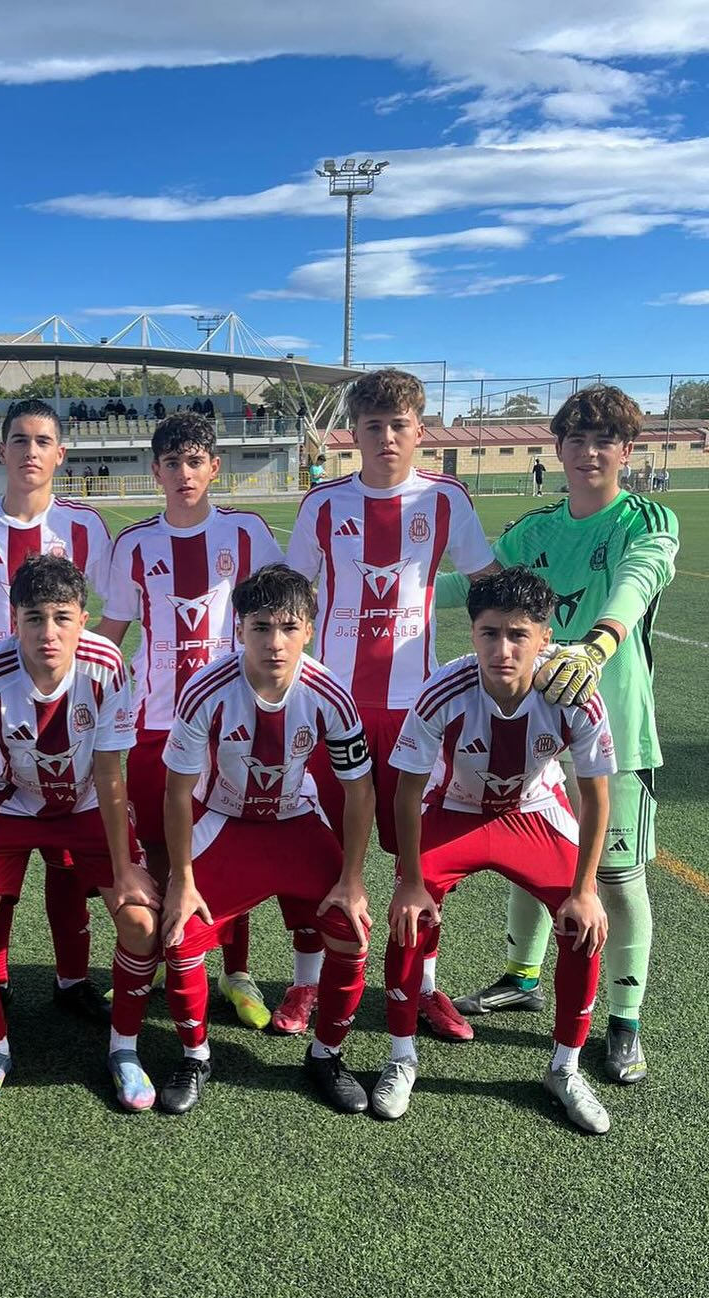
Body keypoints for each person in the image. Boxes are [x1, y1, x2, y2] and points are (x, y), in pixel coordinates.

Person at [441, 386, 679, 1085]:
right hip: (536, 728)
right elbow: (475, 587)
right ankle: (522, 977)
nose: (588, 452)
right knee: (537, 853)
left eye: (604, 440)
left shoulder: (647, 519)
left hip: (615, 729)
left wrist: (596, 646)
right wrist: (390, 588)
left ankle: (624, 1020)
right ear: (559, 448)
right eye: (577, 439)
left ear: (626, 451)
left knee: (617, 878)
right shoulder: (535, 531)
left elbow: (637, 582)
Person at [279, 368, 497, 1039]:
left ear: (419, 430)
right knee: (316, 847)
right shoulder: (323, 504)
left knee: (419, 857)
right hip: (333, 706)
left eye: (398, 425)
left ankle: (422, 985)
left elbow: (488, 585)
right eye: (372, 426)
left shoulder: (446, 499)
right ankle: (307, 980)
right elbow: (292, 595)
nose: (386, 438)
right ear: (354, 434)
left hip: (417, 710)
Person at [131, 565, 375, 1115]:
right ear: (239, 629)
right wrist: (182, 881)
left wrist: (352, 879)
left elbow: (359, 790)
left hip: (296, 823)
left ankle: (327, 1056)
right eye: (261, 627)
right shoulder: (206, 689)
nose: (274, 642)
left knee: (351, 930)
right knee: (180, 933)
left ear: (309, 630)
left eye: (288, 627)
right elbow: (178, 791)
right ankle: (195, 1056)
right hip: (226, 822)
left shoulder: (330, 693)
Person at [377, 568, 614, 1132]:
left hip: (533, 811)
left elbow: (595, 795)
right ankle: (401, 1057)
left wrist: (585, 890)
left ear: (544, 637)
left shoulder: (574, 694)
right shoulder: (444, 690)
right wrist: (411, 881)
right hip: (455, 809)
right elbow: (407, 791)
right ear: (472, 633)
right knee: (409, 915)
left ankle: (565, 1067)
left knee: (583, 924)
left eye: (517, 635)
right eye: (489, 633)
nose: (502, 650)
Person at [0, 555, 160, 1113]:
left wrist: (125, 869)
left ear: (82, 619)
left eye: (63, 617)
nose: (49, 632)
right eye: (34, 617)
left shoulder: (105, 663)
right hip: (12, 807)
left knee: (141, 922)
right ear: (13, 618)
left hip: (87, 805)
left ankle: (124, 1048)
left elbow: (110, 773)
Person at [96, 411, 283, 1030]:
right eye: (172, 462)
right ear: (156, 470)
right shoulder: (134, 544)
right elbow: (112, 629)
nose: (184, 473)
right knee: (157, 843)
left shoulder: (248, 534)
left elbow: (280, 617)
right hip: (156, 720)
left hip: (233, 720)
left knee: (228, 843)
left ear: (214, 467)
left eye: (195, 461)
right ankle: (156, 957)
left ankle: (237, 971)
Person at [0, 400, 113, 1022]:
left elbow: (105, 614)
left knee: (67, 860)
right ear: (1, 450)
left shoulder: (86, 527)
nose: (30, 451)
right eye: (19, 440)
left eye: (42, 441)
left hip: (66, 709)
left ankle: (71, 979)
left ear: (60, 454)